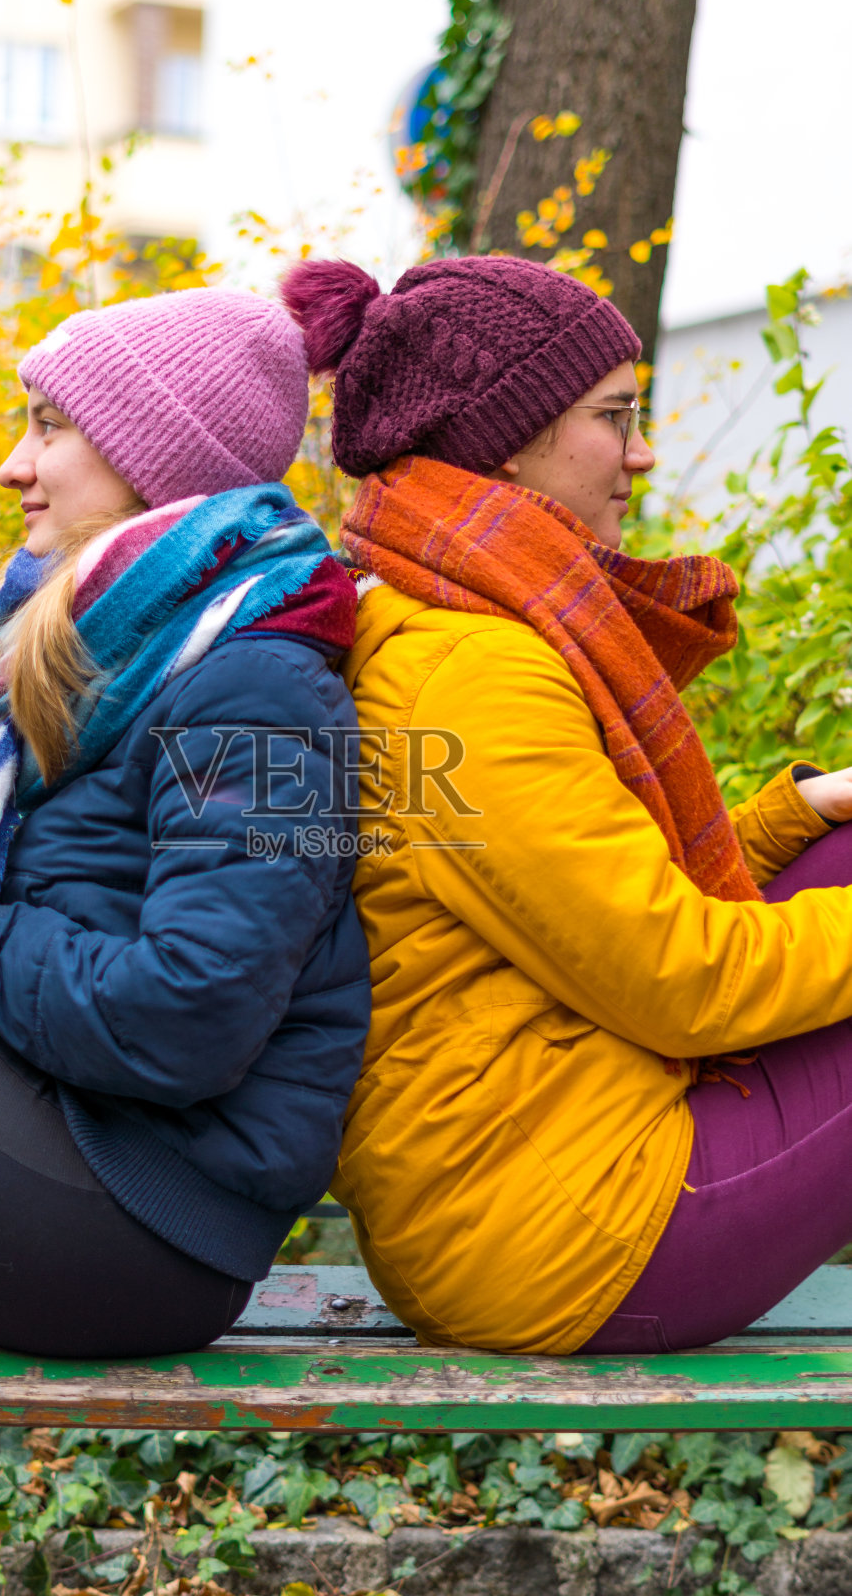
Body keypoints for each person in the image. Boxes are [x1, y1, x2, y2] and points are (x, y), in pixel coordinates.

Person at [280, 254, 852, 1356]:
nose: (640, 452)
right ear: (506, 437)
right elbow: (679, 981)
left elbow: (590, 904)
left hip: (516, 1187)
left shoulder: (446, 617)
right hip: (565, 1235)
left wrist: (803, 812)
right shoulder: (475, 672)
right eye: (613, 416)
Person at [0, 288, 370, 1358]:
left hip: (134, 1230)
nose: (15, 464)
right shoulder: (141, 658)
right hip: (79, 1183)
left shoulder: (267, 695)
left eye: (49, 426)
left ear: (155, 459)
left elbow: (186, 1014)